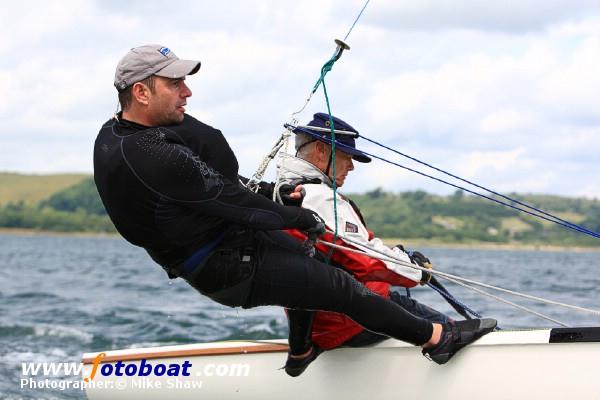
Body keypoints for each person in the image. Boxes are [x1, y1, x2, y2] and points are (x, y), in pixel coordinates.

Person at [93, 44, 496, 378]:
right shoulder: (151, 154)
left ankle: (301, 351)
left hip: (222, 240)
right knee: (338, 285)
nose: (188, 92)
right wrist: (297, 216)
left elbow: (214, 190)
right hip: (222, 266)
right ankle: (437, 340)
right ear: (142, 93)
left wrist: (274, 194)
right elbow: (232, 202)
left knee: (310, 257)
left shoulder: (122, 132)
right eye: (175, 83)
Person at [277, 112, 454, 354]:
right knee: (457, 333)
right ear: (320, 150)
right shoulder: (320, 197)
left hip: (323, 329)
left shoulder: (283, 193)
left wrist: (397, 256)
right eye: (346, 156)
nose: (351, 166)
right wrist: (417, 272)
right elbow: (368, 260)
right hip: (354, 322)